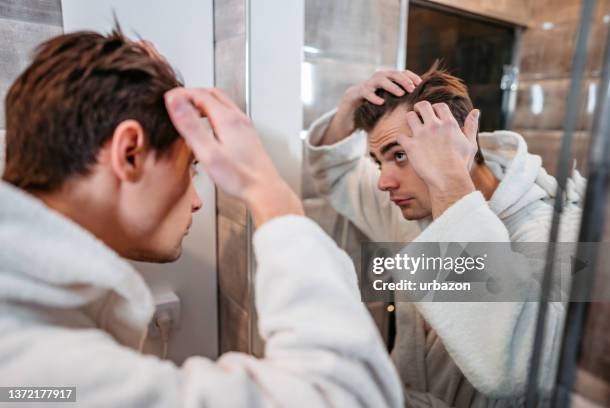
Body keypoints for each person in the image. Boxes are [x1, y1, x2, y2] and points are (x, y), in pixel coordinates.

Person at [0, 28, 404, 407]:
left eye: (400, 154)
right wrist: (270, 188)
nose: (384, 180)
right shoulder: (37, 364)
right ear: (129, 154)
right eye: (190, 166)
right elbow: (344, 395)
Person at [305, 62, 585, 407]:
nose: (383, 181)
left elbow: (514, 364)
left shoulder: (553, 233)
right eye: (380, 162)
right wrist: (348, 105)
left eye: (401, 155)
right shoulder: (412, 210)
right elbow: (338, 172)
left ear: (460, 144)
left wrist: (450, 182)